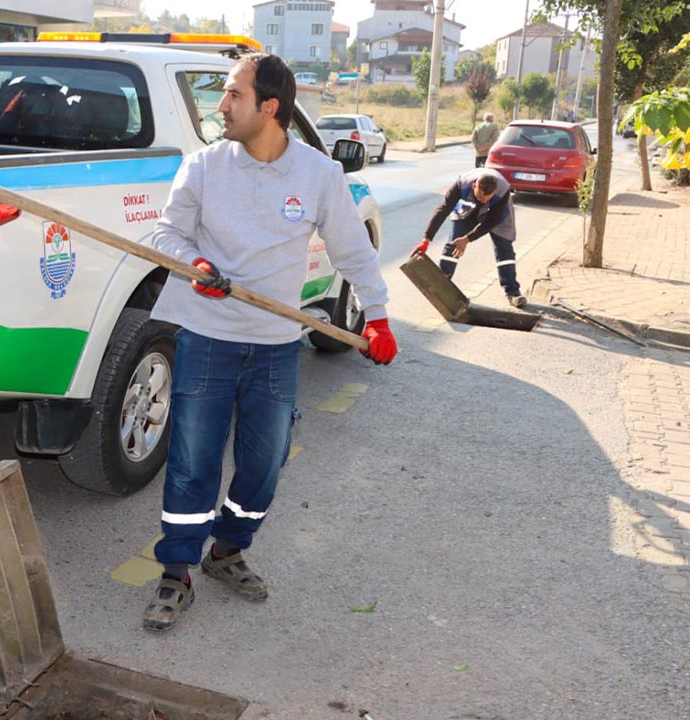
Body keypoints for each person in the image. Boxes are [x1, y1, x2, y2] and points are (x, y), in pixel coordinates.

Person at [141, 53, 397, 632]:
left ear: (270, 108)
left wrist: (376, 318)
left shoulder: (318, 175)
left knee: (266, 460)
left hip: (278, 343)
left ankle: (227, 551)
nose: (221, 106)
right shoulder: (204, 166)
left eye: (233, 94)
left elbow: (353, 251)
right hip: (208, 336)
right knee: (191, 463)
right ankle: (176, 570)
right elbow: (166, 233)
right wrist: (193, 263)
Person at [413, 168, 526, 308]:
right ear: (474, 186)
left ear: (494, 192)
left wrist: (467, 239)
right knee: (454, 244)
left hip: (497, 217)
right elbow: (443, 210)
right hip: (468, 210)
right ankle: (440, 288)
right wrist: (427, 239)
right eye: (479, 197)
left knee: (505, 251)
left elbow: (492, 221)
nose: (483, 201)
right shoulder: (461, 184)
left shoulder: (502, 190)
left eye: (486, 199)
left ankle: (513, 293)